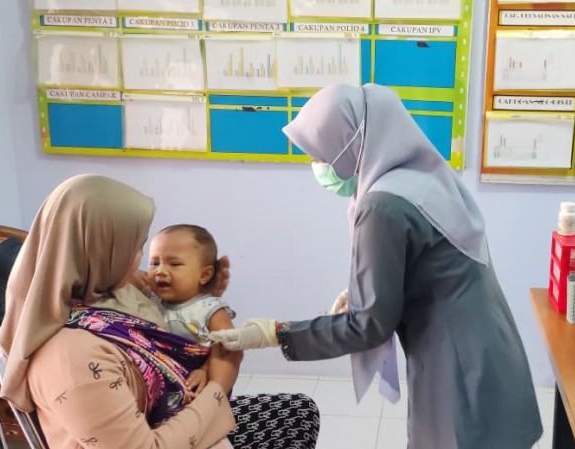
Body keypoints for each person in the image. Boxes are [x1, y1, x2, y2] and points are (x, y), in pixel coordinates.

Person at [210, 84, 543, 449]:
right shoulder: (421, 176)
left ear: (348, 145)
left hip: (459, 368)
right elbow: (436, 262)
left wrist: (276, 333)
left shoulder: (382, 204)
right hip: (490, 349)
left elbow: (367, 325)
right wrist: (366, 287)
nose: (316, 166)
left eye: (319, 155)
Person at [0, 174, 319, 449]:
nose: (141, 262)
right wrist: (220, 384)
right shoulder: (70, 360)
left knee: (297, 411)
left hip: (170, 411)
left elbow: (164, 308)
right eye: (135, 246)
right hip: (162, 434)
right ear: (102, 252)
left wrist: (201, 297)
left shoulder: (101, 295)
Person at [147, 224, 235, 396]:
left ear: (204, 275)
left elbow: (227, 349)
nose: (160, 271)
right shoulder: (150, 302)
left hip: (197, 387)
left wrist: (206, 370)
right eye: (154, 263)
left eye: (174, 264)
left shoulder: (210, 310)